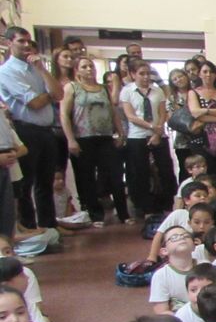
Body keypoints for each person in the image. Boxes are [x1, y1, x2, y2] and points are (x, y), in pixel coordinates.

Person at [0, 27, 65, 230]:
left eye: (29, 41)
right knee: (26, 183)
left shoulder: (36, 68)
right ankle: (29, 227)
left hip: (46, 131)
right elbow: (34, 103)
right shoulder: (7, 71)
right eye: (21, 41)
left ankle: (49, 226)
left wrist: (43, 70)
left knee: (46, 182)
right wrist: (50, 96)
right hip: (26, 130)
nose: (27, 45)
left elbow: (59, 94)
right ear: (9, 43)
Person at [60, 56, 130, 226]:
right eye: (84, 66)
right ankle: (95, 215)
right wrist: (70, 140)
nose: (89, 69)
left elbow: (113, 112)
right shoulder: (72, 87)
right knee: (87, 177)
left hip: (105, 137)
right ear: (77, 70)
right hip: (83, 138)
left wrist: (120, 133)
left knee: (115, 174)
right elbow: (64, 114)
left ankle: (123, 213)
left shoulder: (104, 88)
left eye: (91, 66)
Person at [121, 58, 176, 217]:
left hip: (158, 134)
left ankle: (167, 204)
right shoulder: (127, 91)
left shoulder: (157, 91)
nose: (146, 77)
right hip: (137, 135)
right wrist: (151, 127)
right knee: (141, 171)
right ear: (133, 74)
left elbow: (162, 113)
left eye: (148, 73)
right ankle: (146, 207)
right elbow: (131, 116)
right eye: (141, 74)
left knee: (165, 169)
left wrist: (157, 132)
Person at [187, 61, 216, 182]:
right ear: (199, 74)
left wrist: (205, 111)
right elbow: (196, 114)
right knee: (202, 174)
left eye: (211, 72)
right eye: (205, 71)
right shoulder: (193, 93)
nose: (208, 75)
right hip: (200, 138)